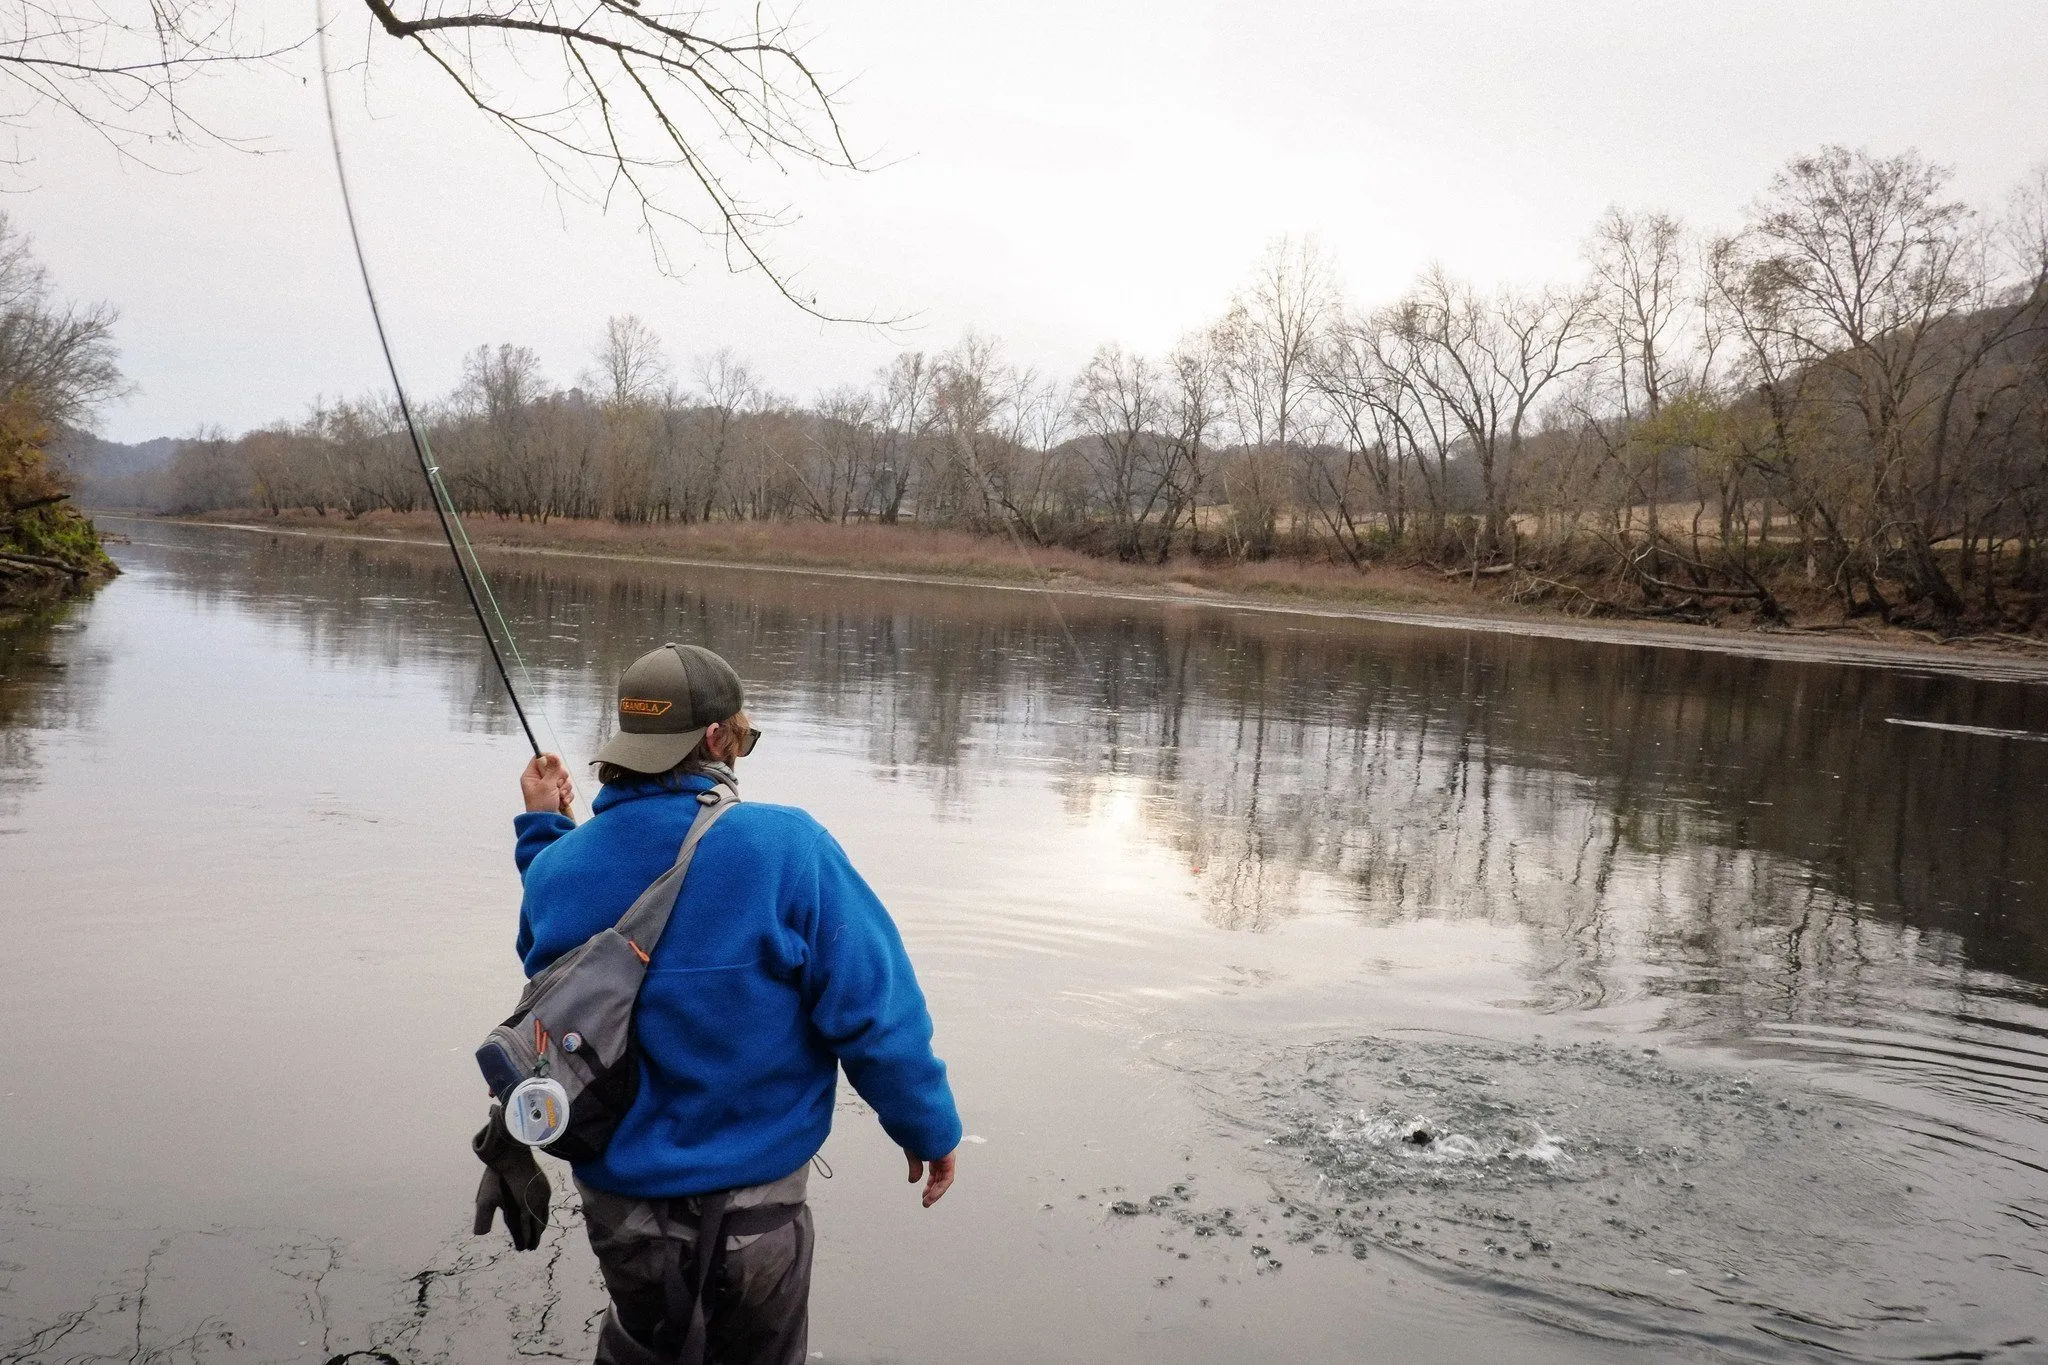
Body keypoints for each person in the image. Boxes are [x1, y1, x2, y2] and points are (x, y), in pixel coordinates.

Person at [510, 642, 961, 1365]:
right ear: (716, 739)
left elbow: (558, 967)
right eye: (741, 736)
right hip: (759, 1217)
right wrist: (927, 1125)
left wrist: (546, 830)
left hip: (620, 1214)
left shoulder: (562, 865)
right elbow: (877, 1016)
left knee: (642, 1347)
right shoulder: (788, 847)